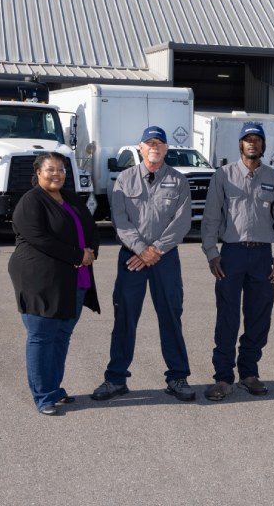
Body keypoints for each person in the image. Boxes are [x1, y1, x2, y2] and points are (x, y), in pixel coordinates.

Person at [91, 126, 195, 402]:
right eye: (149, 143)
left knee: (171, 316)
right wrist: (140, 249)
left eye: (159, 143)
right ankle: (115, 379)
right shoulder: (124, 180)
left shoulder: (178, 181)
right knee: (125, 317)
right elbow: (120, 220)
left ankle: (177, 376)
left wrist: (155, 250)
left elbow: (182, 222)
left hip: (165, 258)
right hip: (131, 257)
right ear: (140, 148)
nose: (154, 147)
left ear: (166, 148)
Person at [201, 121, 274, 401]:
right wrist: (212, 253)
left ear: (264, 145)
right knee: (227, 316)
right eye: (247, 139)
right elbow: (211, 217)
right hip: (232, 254)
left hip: (262, 255)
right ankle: (223, 377)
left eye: (257, 139)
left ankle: (249, 373)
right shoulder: (223, 176)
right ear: (240, 144)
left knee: (259, 315)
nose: (252, 143)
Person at [8, 152, 100, 416]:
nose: (57, 174)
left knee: (61, 336)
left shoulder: (70, 197)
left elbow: (90, 228)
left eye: (61, 169)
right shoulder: (31, 202)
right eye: (50, 169)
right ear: (38, 172)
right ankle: (43, 395)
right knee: (41, 337)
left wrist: (92, 249)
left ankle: (54, 387)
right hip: (41, 281)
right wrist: (77, 255)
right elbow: (39, 238)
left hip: (76, 279)